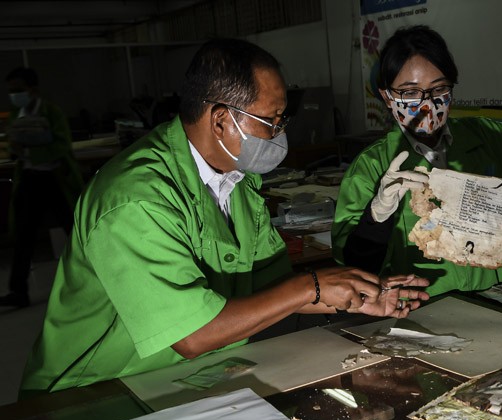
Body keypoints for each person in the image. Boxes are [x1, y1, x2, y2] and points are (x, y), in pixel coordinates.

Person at [20, 38, 430, 394]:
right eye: (270, 121)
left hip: (180, 377)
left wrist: (357, 295)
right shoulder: (135, 200)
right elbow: (193, 335)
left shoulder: (237, 180)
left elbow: (272, 292)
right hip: (98, 391)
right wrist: (313, 286)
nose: (279, 134)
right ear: (220, 119)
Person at [332, 25, 502, 296]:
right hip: (426, 307)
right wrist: (377, 216)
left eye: (438, 89)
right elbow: (353, 268)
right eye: (410, 92)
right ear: (386, 96)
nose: (427, 104)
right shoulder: (372, 167)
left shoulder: (489, 138)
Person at [0, 67, 84, 309]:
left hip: (54, 180)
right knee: (23, 237)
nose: (14, 95)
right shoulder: (18, 113)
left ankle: (100, 282)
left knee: (77, 234)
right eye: (11, 91)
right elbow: (12, 144)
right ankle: (18, 291)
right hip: (29, 180)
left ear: (32, 89)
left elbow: (61, 145)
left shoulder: (51, 112)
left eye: (18, 89)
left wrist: (28, 150)